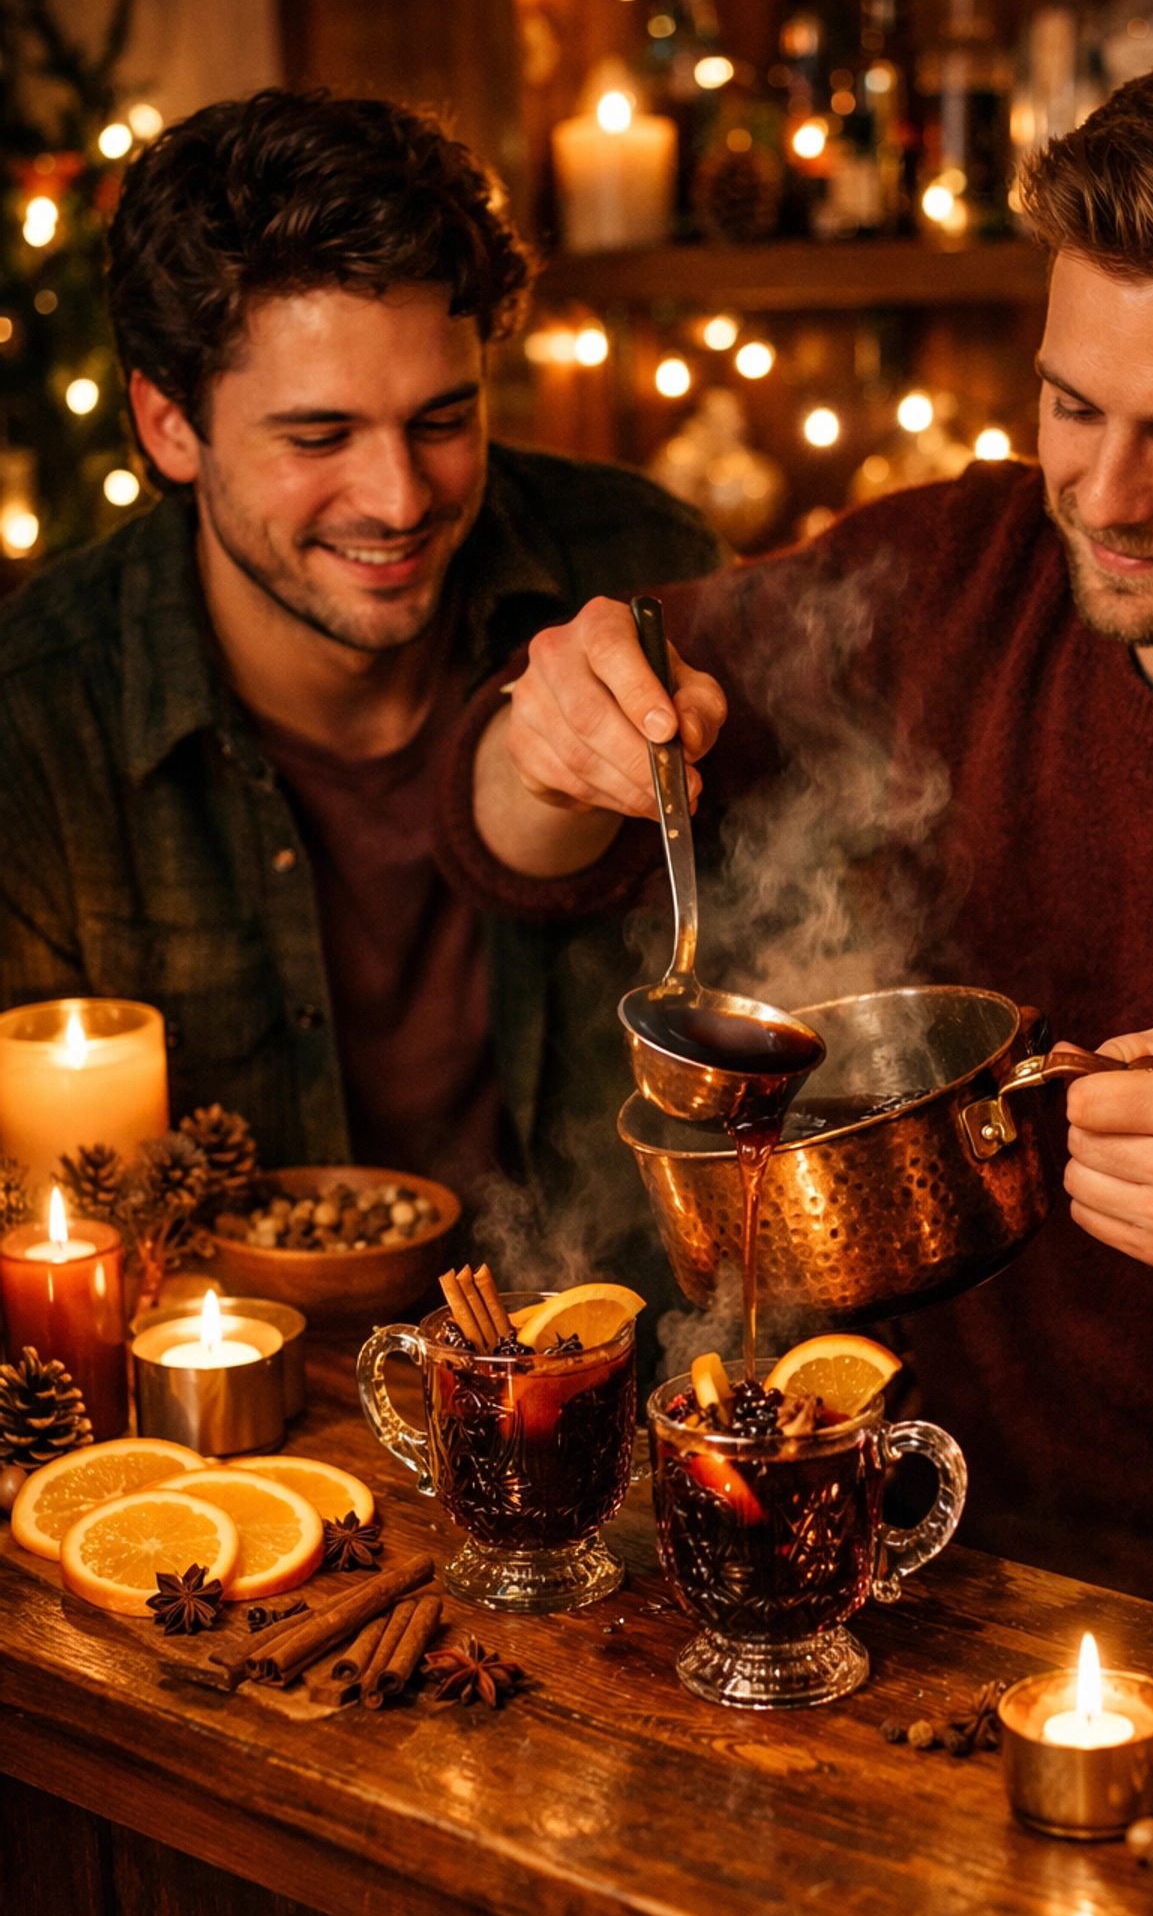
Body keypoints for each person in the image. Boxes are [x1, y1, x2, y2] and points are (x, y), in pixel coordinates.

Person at [441, 42, 1153, 1692]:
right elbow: (512, 846)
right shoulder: (945, 570)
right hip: (875, 1581)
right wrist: (555, 738)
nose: (1102, 496)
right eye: (1070, 402)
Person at [0, 90, 725, 1215]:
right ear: (167, 426)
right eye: (319, 435)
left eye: (442, 421)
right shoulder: (34, 723)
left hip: (623, 1357)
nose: (397, 499)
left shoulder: (641, 565)